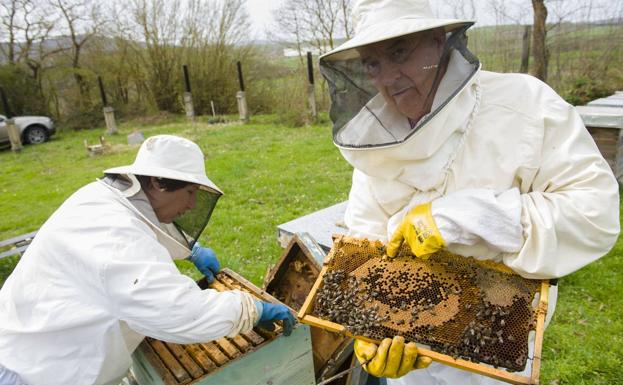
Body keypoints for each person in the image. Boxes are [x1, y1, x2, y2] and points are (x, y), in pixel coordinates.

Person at [318, 0, 620, 384]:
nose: (388, 77)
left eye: (399, 52)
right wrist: (371, 331)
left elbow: (595, 214)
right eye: (372, 63)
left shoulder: (526, 105)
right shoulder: (374, 139)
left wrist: (469, 217)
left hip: (495, 346)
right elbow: (366, 239)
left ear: (439, 41)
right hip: (414, 358)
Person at [0, 135, 296, 385]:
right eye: (190, 192)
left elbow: (145, 226)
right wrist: (250, 309)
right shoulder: (113, 234)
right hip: (35, 371)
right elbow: (178, 312)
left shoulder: (106, 200)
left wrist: (190, 251)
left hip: (36, 350)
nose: (192, 204)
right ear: (158, 182)